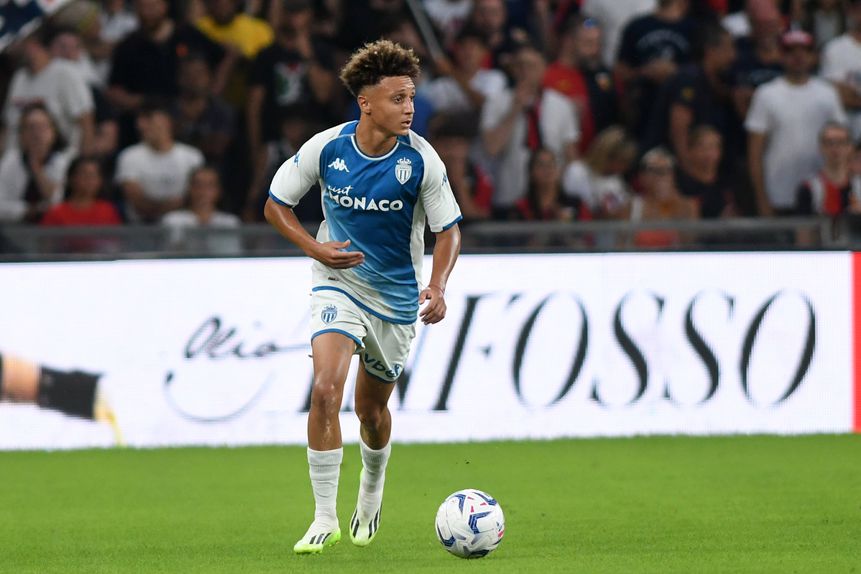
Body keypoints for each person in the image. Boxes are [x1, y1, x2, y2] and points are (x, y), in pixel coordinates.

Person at [264, 39, 462, 554]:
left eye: (411, 97)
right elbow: (276, 203)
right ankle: (323, 517)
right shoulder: (327, 148)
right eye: (398, 98)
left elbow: (448, 231)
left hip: (396, 301)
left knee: (370, 413)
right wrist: (316, 248)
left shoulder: (422, 160)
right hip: (338, 283)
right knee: (325, 390)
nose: (409, 108)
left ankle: (371, 490)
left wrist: (438, 285)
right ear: (366, 103)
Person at [746, 29, 846, 215]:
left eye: (804, 51)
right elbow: (755, 152)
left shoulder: (827, 94)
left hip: (820, 193)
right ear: (781, 55)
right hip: (778, 193)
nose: (798, 56)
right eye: (791, 51)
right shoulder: (766, 94)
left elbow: (842, 142)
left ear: (813, 56)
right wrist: (761, 199)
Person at [481, 43, 580, 217]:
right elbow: (492, 148)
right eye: (520, 65)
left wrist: (557, 189)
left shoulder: (561, 104)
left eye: (532, 66)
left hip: (549, 203)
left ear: (544, 69)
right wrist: (515, 109)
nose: (525, 71)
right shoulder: (496, 102)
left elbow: (570, 156)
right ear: (513, 69)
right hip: (509, 196)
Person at [2, 27, 95, 154]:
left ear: (33, 44)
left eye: (17, 43)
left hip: (59, 159)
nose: (13, 48)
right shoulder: (19, 77)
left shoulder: (65, 72)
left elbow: (85, 121)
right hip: (17, 159)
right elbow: (8, 125)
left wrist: (85, 159)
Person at [115, 102, 204, 223]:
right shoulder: (129, 156)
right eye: (139, 120)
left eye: (148, 118)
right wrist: (176, 204)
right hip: (141, 227)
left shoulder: (192, 156)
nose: (141, 125)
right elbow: (138, 203)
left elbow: (201, 196)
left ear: (167, 121)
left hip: (184, 225)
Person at [0, 103, 74, 223]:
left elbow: (59, 203)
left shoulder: (66, 161)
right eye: (31, 127)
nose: (37, 133)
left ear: (53, 132)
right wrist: (28, 210)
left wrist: (37, 169)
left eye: (43, 127)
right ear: (21, 134)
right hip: (14, 229)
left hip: (56, 229)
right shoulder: (9, 161)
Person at [162, 165, 241, 254]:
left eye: (209, 185)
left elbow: (233, 254)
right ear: (189, 189)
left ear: (219, 190)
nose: (203, 191)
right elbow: (169, 254)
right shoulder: (172, 220)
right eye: (198, 185)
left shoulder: (229, 222)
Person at [796, 122, 861, 215]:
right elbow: (802, 223)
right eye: (829, 143)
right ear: (821, 147)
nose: (835, 148)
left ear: (850, 147)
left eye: (841, 142)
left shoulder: (858, 185)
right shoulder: (809, 188)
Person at [820, 0, 861, 142]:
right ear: (850, 10)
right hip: (845, 132)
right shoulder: (834, 48)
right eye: (858, 6)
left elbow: (848, 94)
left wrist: (854, 93)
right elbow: (834, 95)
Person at [41, 156, 122, 226]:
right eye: (84, 174)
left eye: (93, 176)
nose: (89, 180)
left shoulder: (108, 211)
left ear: (100, 181)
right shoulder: (56, 213)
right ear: (71, 178)